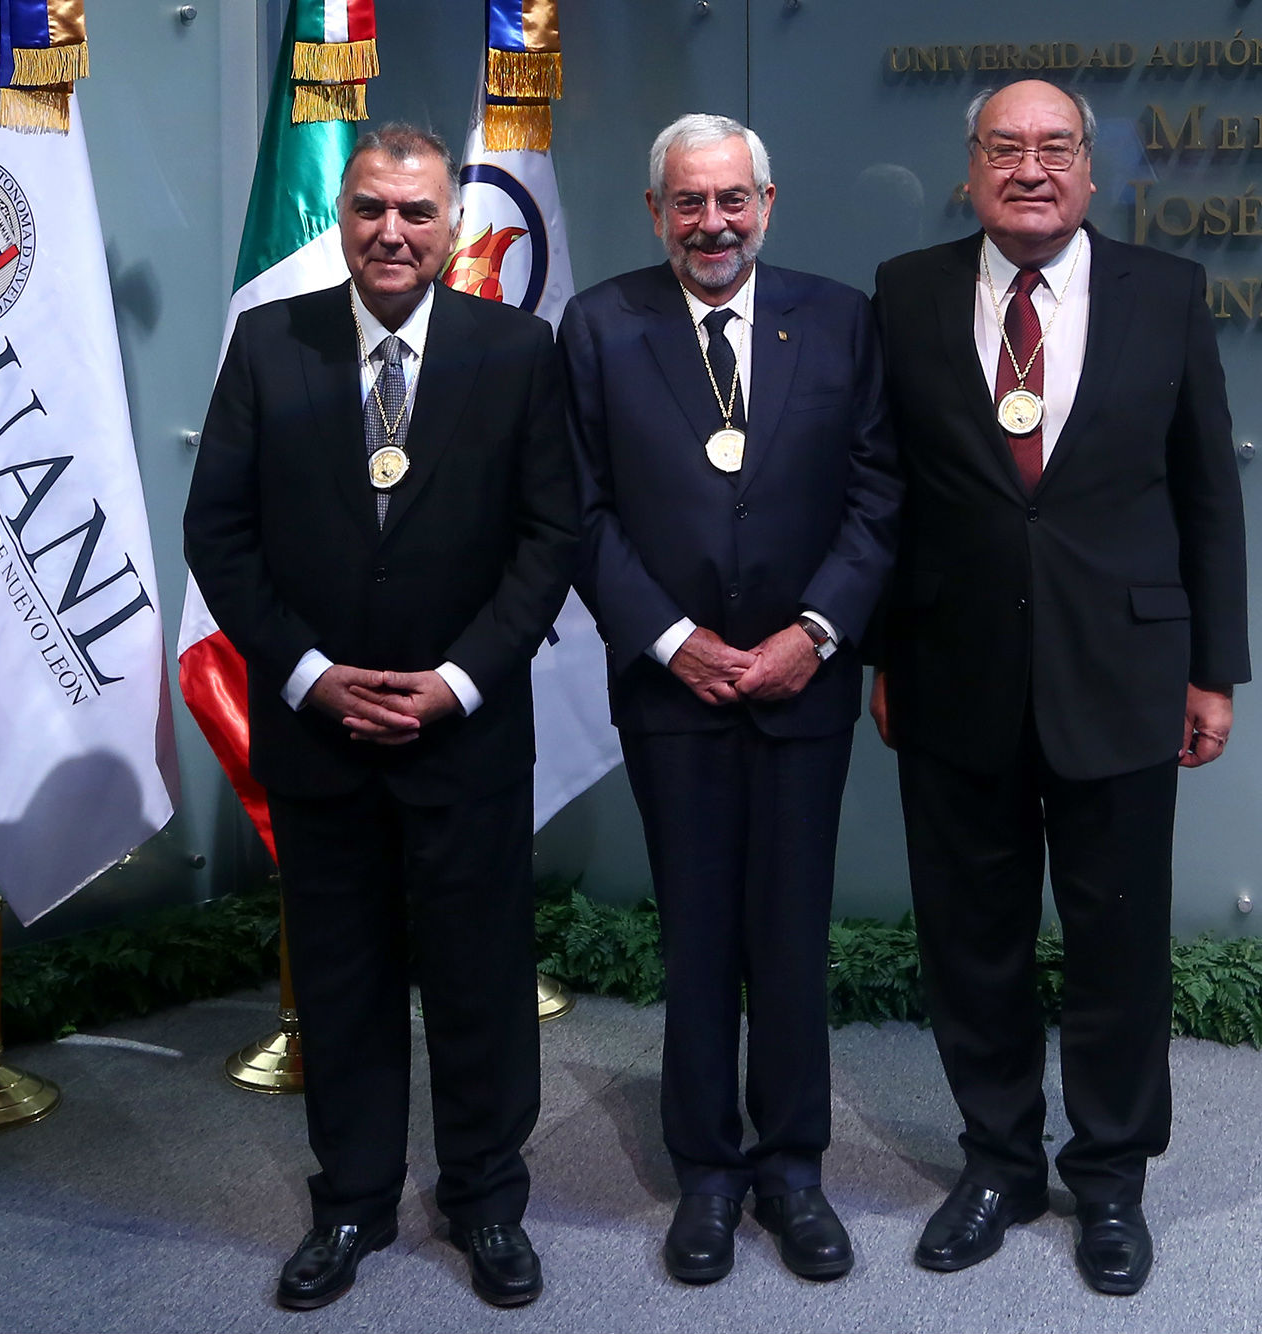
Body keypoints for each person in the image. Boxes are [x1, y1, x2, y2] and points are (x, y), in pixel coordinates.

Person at [182, 123, 577, 1312]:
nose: (391, 233)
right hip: (319, 732)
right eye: (369, 209)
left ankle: (486, 1199)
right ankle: (350, 1200)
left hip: (463, 728)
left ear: (452, 223)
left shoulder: (514, 350)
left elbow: (551, 534)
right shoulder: (267, 343)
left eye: (415, 212)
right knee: (342, 980)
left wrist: (458, 678)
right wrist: (306, 671)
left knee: (479, 976)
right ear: (341, 219)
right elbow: (220, 535)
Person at [869, 79, 1250, 1296]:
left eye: (1052, 149)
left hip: (1125, 670)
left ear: (1091, 170)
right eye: (1003, 149)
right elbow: (880, 492)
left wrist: (1213, 669)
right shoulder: (907, 291)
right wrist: (880, 649)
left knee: (1117, 942)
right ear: (969, 170)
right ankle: (996, 1160)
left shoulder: (1166, 291)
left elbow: (1206, 495)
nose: (1028, 169)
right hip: (949, 669)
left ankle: (1110, 1178)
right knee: (968, 938)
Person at [559, 114, 900, 1286]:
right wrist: (671, 639)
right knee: (697, 932)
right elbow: (580, 511)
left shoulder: (840, 318)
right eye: (687, 203)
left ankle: (791, 1168)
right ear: (655, 211)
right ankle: (706, 1171)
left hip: (804, 681)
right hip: (672, 689)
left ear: (768, 200)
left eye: (732, 200)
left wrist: (813, 634)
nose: (712, 223)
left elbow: (877, 494)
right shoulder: (599, 325)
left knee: (790, 931)